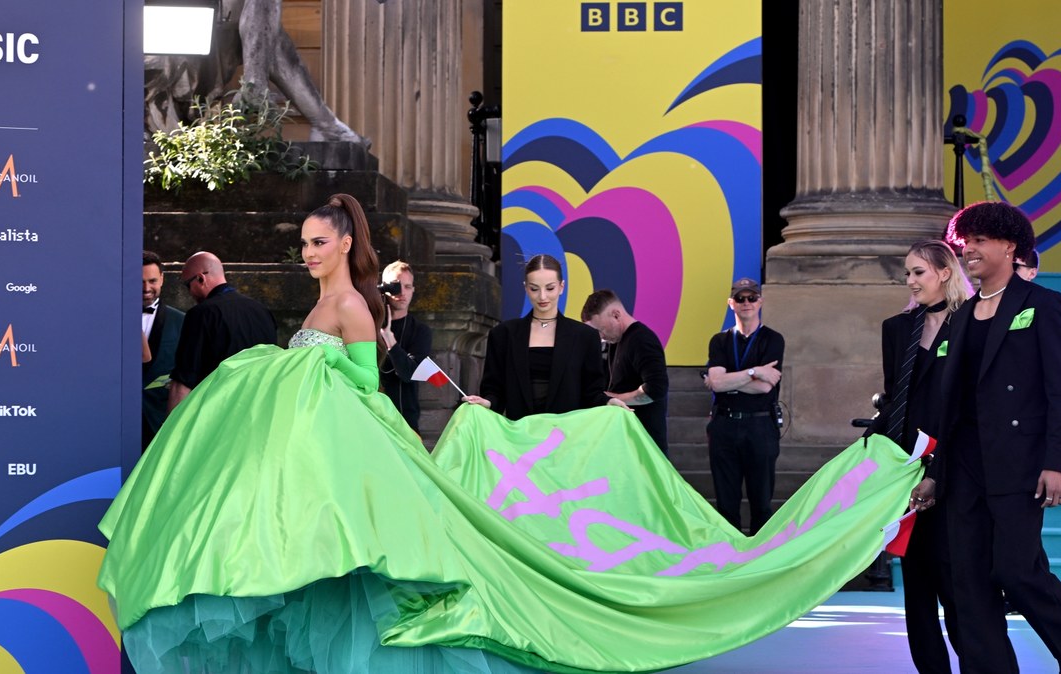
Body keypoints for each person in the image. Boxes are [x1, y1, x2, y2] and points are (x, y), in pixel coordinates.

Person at [97, 194, 925, 674]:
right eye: (304, 245)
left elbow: (359, 381)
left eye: (318, 243)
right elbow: (385, 379)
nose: (308, 254)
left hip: (452, 450)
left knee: (401, 566)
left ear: (345, 243)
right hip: (351, 454)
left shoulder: (352, 306)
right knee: (338, 566)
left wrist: (297, 372)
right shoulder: (345, 305)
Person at [916, 201, 1061, 674]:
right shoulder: (960, 316)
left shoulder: (1044, 304)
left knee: (1017, 571)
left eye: (979, 240)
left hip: (1020, 466)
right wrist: (935, 472)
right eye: (965, 241)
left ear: (1009, 245)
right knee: (968, 580)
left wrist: (1059, 462)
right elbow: (947, 407)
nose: (968, 249)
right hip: (962, 467)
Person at [869, 240, 971, 673]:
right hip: (907, 472)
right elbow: (895, 398)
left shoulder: (972, 322)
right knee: (916, 586)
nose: (910, 282)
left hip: (957, 469)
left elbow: (971, 403)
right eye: (907, 274)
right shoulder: (897, 328)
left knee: (957, 584)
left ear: (945, 273)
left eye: (918, 273)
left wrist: (941, 466)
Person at [463, 254, 626, 419]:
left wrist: (608, 402)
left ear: (561, 287)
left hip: (567, 437)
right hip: (519, 436)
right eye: (534, 288)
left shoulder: (585, 336)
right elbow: (494, 390)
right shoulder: (503, 334)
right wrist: (487, 403)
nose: (542, 296)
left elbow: (592, 392)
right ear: (525, 287)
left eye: (550, 288)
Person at [703, 278, 786, 535]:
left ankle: (759, 561)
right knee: (726, 503)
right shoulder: (720, 341)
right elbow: (716, 384)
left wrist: (731, 381)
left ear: (760, 301)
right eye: (740, 298)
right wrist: (754, 371)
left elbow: (765, 387)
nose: (746, 303)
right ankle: (730, 561)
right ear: (731, 304)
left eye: (751, 298)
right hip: (725, 425)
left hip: (760, 424)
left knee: (761, 502)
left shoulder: (773, 339)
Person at [167, 251, 278, 411]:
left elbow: (183, 380)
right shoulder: (262, 311)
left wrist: (171, 429)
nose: (189, 292)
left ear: (200, 278)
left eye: (187, 285)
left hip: (217, 412)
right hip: (259, 409)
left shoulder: (200, 314)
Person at [581, 289, 670, 455]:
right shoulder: (614, 343)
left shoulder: (642, 339)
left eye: (601, 329)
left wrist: (612, 399)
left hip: (645, 446)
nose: (601, 336)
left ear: (616, 314)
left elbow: (656, 388)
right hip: (625, 444)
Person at [378, 260, 433, 432]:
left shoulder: (420, 331)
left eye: (408, 286)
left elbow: (410, 373)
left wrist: (390, 341)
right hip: (372, 418)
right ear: (383, 287)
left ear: (413, 290)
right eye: (396, 285)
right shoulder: (367, 325)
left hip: (405, 422)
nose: (402, 292)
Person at [141, 251, 185, 450]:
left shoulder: (182, 321)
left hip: (160, 419)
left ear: (162, 279)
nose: (146, 288)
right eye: (140, 281)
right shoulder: (109, 320)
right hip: (114, 421)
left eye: (152, 281)